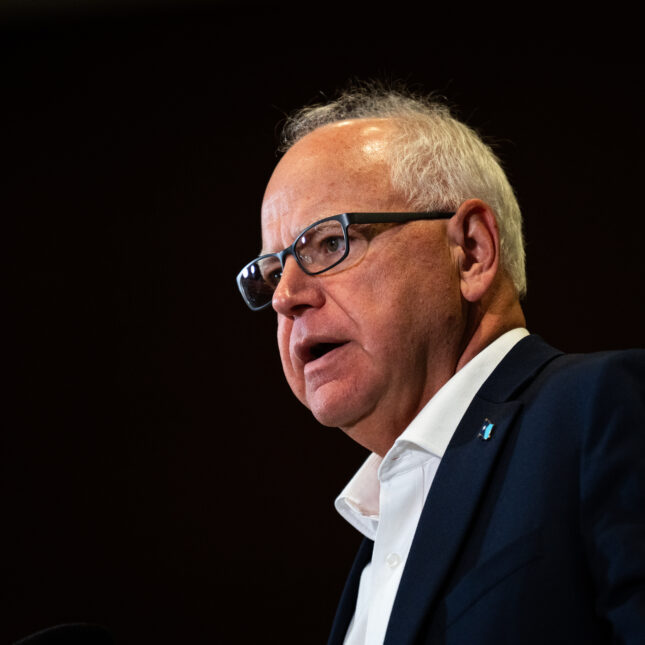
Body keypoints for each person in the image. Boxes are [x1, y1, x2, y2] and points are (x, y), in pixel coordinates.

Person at [236, 83, 645, 644]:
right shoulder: (376, 542)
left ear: (471, 251)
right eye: (272, 270)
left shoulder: (603, 411)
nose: (285, 296)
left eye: (328, 244)